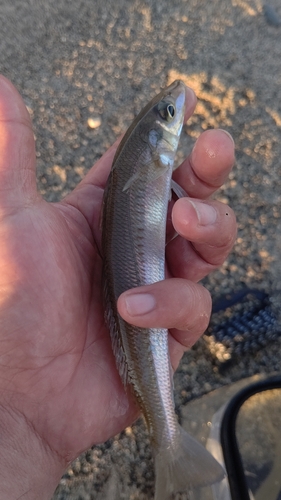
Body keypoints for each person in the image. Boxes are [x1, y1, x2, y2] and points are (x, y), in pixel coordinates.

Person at [0, 75, 236, 499]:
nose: (175, 116)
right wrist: (18, 420)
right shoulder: (144, 161)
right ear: (153, 145)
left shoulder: (148, 161)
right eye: (168, 116)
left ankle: (168, 439)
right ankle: (167, 441)